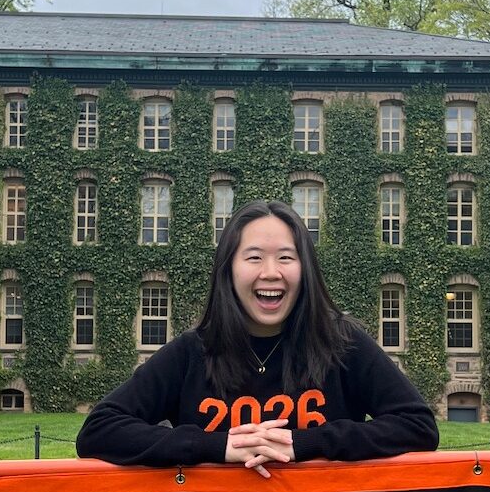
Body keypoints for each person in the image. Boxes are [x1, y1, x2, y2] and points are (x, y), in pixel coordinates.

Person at [76, 200, 439, 476]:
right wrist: (218, 445)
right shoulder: (193, 351)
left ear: (305, 268)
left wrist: (305, 443)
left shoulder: (342, 344)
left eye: (286, 256)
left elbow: (417, 426)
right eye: (253, 257)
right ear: (229, 270)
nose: (271, 272)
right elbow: (99, 430)